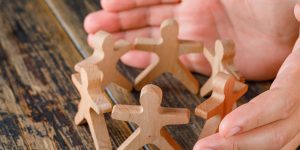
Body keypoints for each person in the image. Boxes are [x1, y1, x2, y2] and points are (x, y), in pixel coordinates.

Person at [84, 0, 300, 149]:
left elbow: (127, 111)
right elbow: (153, 48)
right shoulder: (143, 110)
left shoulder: (225, 80)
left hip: (182, 70)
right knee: (144, 78)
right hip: (166, 66)